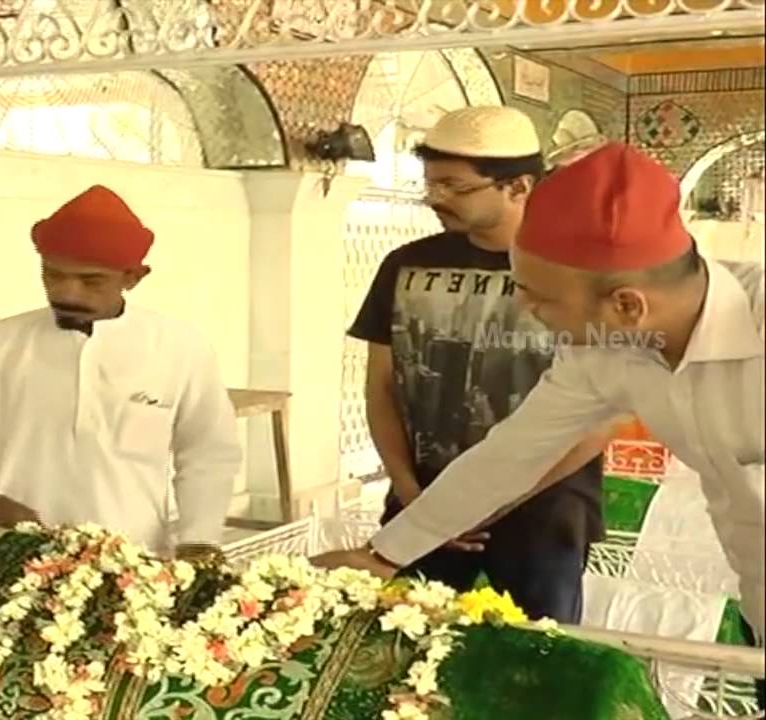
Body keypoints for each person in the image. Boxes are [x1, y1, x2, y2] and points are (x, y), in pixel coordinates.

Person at [316, 141, 764, 704]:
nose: (525, 310)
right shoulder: (603, 348)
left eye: (538, 298)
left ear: (626, 305)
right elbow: (511, 453)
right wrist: (382, 556)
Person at [346, 106, 618, 623]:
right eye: (431, 184)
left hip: (543, 511)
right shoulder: (406, 265)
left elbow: (601, 417)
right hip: (421, 500)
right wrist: (410, 490)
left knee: (533, 664)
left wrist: (486, 504)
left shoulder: (582, 273)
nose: (437, 198)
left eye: (455, 186)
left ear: (518, 186)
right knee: (404, 655)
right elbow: (381, 386)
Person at [0, 184, 243, 559]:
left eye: (91, 281)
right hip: (15, 555)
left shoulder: (180, 348)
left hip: (136, 559)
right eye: (53, 274)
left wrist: (198, 538)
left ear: (133, 277)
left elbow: (206, 452)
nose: (67, 293)